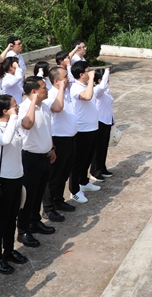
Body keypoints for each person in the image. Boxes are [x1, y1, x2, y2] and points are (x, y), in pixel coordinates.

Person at [0, 95, 28, 275]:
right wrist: (14, 119)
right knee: (0, 222)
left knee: (12, 218)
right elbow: (5, 140)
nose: (17, 107)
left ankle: (9, 250)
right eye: (13, 105)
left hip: (16, 177)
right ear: (4, 111)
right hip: (2, 180)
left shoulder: (13, 124)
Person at [17, 76, 56, 247]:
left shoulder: (45, 106)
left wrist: (52, 148)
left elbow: (47, 129)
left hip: (45, 156)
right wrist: (32, 102)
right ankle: (23, 230)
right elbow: (28, 124)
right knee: (28, 196)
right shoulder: (23, 108)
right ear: (33, 92)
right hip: (30, 158)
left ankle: (35, 221)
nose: (46, 89)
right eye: (42, 87)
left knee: (38, 193)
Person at [42, 68, 76, 220]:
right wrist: (62, 88)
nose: (68, 78)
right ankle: (48, 209)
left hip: (69, 138)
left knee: (64, 173)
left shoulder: (65, 93)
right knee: (54, 176)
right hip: (58, 139)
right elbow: (57, 108)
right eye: (65, 77)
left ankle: (59, 200)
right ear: (57, 81)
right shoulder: (51, 95)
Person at [69, 61, 99, 203]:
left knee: (88, 157)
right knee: (79, 160)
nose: (90, 73)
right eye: (88, 71)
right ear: (82, 74)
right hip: (82, 130)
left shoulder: (85, 86)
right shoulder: (75, 88)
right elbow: (86, 97)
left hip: (92, 128)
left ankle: (84, 182)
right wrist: (92, 79)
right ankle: (74, 190)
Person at [90, 67, 115, 182]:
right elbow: (103, 85)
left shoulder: (105, 90)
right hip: (100, 122)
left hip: (107, 121)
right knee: (98, 148)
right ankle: (95, 171)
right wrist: (107, 71)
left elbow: (108, 107)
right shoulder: (97, 91)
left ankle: (102, 168)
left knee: (104, 147)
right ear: (100, 80)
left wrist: (112, 120)